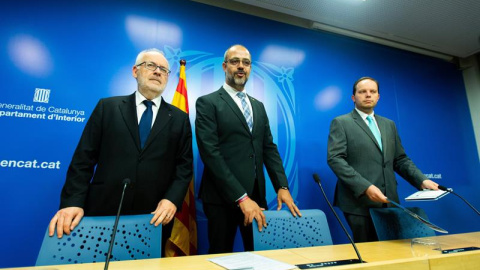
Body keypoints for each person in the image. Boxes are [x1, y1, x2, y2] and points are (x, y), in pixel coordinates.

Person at [48, 48, 193, 254]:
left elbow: (184, 167)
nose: (158, 72)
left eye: (163, 69)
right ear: (135, 71)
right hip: (102, 211)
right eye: (150, 65)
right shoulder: (107, 107)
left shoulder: (179, 118)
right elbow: (83, 159)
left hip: (153, 217)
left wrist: (171, 200)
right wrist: (73, 202)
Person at [195, 44, 301, 254]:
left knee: (258, 255)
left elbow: (268, 148)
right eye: (235, 62)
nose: (241, 66)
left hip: (256, 196)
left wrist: (282, 186)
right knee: (221, 255)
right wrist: (241, 197)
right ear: (225, 66)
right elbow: (210, 153)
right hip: (220, 198)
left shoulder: (258, 106)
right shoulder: (207, 102)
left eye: (246, 63)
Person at [327, 76, 439, 242]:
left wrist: (421, 180)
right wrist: (365, 187)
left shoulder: (389, 125)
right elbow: (335, 159)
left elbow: (400, 159)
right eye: (362, 92)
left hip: (389, 201)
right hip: (358, 202)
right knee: (370, 255)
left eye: (372, 92)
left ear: (378, 96)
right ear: (353, 97)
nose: (368, 95)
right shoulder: (342, 122)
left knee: (393, 249)